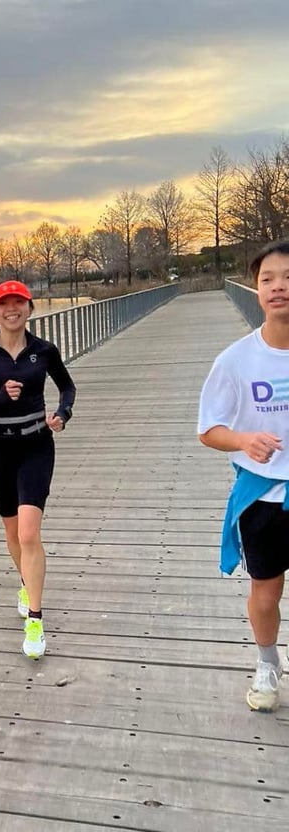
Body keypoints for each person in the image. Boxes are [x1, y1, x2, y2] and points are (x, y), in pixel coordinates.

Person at [0, 280, 76, 659]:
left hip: (36, 445)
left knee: (28, 532)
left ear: (29, 307)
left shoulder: (44, 350)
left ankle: (35, 620)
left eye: (18, 303)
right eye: (3, 304)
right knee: (12, 533)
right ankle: (26, 582)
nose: (12, 310)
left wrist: (62, 413)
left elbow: (67, 387)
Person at [198, 239, 289, 713]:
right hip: (264, 496)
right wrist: (243, 440)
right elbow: (208, 429)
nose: (279, 287)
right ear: (255, 289)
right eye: (268, 279)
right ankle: (268, 662)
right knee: (265, 593)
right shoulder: (235, 360)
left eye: (288, 278)